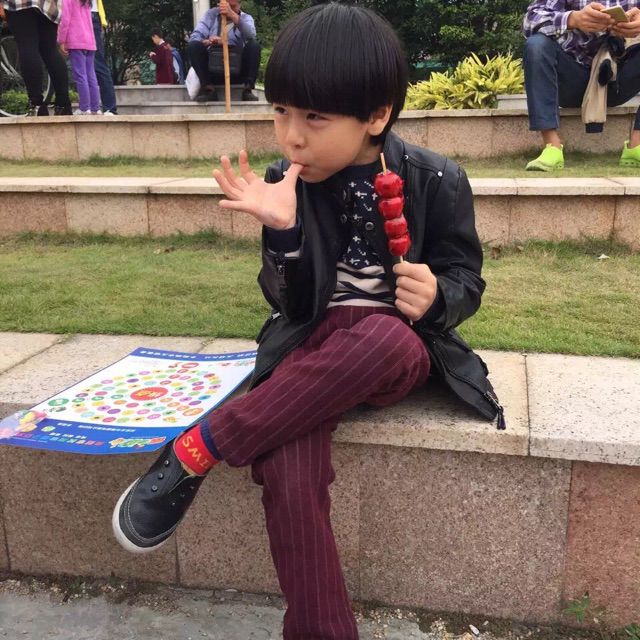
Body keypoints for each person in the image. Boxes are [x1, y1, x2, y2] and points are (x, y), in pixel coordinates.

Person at [112, 4, 491, 639]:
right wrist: (284, 234)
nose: (291, 137)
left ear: (377, 116)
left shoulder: (436, 178)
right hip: (309, 348)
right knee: (288, 466)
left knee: (383, 336)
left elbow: (466, 279)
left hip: (390, 350)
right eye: (281, 111)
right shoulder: (284, 181)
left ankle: (197, 447)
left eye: (314, 118)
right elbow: (290, 308)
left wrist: (438, 296)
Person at [523, 0, 640, 170]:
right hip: (571, 77)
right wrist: (573, 19)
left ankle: (636, 145)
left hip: (618, 79)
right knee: (536, 45)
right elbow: (530, 20)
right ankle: (551, 146)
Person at [1, 0, 72, 115]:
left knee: (27, 45)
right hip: (48, 4)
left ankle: (37, 105)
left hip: (21, 4)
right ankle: (63, 105)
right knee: (50, 50)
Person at [188, 0, 259, 102]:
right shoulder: (211, 15)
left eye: (232, 6)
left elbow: (251, 35)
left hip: (236, 68)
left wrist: (232, 15)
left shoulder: (246, 18)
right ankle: (208, 88)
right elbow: (195, 37)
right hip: (213, 67)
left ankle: (247, 90)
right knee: (193, 46)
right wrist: (209, 41)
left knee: (254, 46)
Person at [57, 0, 100, 114]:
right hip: (90, 42)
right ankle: (95, 108)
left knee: (80, 76)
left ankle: (84, 108)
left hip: (76, 42)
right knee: (91, 76)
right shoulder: (87, 2)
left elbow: (65, 21)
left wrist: (61, 40)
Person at [90, 0, 117, 115]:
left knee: (97, 63)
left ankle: (109, 107)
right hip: (88, 14)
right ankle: (91, 107)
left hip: (89, 14)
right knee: (87, 65)